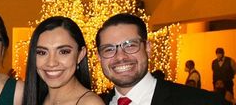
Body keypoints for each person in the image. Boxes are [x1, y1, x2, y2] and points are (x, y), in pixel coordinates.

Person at [95, 13, 223, 105]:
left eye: (130, 46)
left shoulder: (201, 101)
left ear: (148, 48)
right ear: (99, 57)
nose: (121, 56)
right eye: (109, 49)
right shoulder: (94, 103)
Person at [22, 16, 103, 105]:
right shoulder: (36, 98)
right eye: (42, 52)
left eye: (64, 52)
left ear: (80, 54)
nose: (51, 63)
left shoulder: (90, 103)